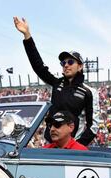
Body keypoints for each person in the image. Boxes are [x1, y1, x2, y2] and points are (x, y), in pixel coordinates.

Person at [14, 17, 99, 146]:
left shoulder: (90, 92)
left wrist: (75, 145)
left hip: (72, 147)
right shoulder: (55, 83)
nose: (66, 65)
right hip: (50, 144)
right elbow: (38, 67)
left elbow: (93, 126)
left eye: (70, 62)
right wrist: (27, 36)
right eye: (63, 62)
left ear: (80, 66)